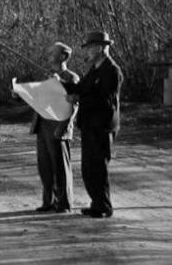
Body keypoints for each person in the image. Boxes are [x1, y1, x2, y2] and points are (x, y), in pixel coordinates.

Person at [62, 31, 123, 218]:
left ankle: (104, 206)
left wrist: (79, 98)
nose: (87, 52)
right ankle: (97, 203)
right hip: (89, 125)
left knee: (98, 167)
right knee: (88, 168)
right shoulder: (94, 70)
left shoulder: (112, 71)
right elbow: (81, 88)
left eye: (89, 48)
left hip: (102, 126)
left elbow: (104, 101)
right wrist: (62, 85)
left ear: (99, 48)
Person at [31, 42, 79, 213]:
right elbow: (36, 98)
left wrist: (64, 126)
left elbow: (74, 104)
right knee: (45, 166)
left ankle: (64, 203)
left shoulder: (71, 78)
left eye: (53, 53)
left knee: (60, 167)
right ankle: (48, 201)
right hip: (42, 125)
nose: (49, 56)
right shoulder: (46, 77)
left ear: (63, 56)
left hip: (58, 126)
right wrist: (18, 94)